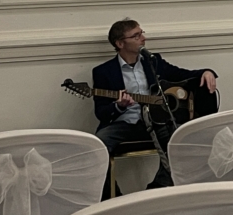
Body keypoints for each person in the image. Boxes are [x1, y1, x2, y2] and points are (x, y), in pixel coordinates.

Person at [92, 19, 217, 198]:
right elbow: (101, 112)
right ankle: (113, 198)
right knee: (97, 146)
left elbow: (182, 74)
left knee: (181, 141)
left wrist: (206, 72)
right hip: (124, 124)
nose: (143, 38)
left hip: (156, 122)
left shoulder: (153, 62)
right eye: (136, 36)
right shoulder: (103, 72)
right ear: (120, 43)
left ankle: (155, 192)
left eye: (141, 33)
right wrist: (119, 106)